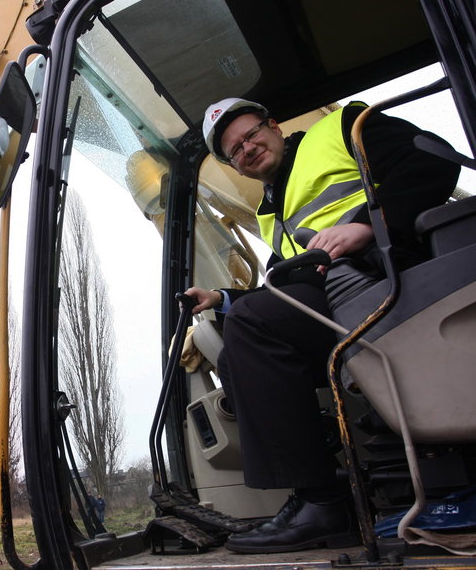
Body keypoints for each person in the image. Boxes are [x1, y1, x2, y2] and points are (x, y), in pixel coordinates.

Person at [185, 97, 460, 554]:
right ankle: (317, 490)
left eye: (250, 134)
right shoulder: (274, 213)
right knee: (238, 350)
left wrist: (369, 225)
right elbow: (284, 282)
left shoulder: (341, 128)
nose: (247, 149)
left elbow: (432, 157)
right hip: (334, 303)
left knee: (253, 326)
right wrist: (223, 298)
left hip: (390, 280)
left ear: (273, 125)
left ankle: (322, 505)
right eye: (234, 151)